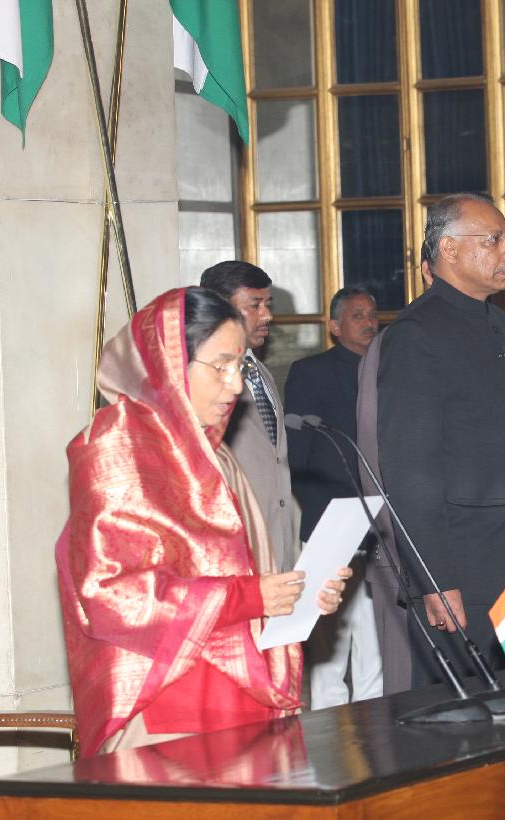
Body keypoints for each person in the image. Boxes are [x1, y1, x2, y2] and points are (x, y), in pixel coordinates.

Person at [55, 288, 350, 757]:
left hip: (239, 685)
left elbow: (243, 572)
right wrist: (251, 597)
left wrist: (296, 597)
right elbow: (112, 592)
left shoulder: (216, 454)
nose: (234, 387)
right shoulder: (116, 444)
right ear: (170, 361)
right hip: (166, 698)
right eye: (221, 366)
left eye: (241, 367)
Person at [378, 195, 505, 686]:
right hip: (464, 571)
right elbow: (409, 469)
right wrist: (435, 579)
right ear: (448, 249)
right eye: (494, 240)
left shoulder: (500, 324)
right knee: (462, 712)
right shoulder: (417, 333)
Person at [284, 286, 382, 707]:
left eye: (372, 315)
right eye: (357, 316)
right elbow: (297, 457)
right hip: (331, 520)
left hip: (380, 525)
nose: (369, 323)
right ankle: (328, 718)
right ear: (335, 326)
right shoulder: (311, 372)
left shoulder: (387, 371)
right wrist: (322, 513)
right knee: (329, 635)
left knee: (375, 636)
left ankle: (375, 720)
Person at [355, 249, 434, 695]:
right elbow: (374, 449)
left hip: (479, 547)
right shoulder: (396, 343)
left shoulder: (497, 331)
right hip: (407, 547)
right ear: (429, 270)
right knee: (409, 689)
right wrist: (391, 545)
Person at [200, 261, 299, 574]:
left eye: (268, 304)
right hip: (234, 555)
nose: (267, 315)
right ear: (220, 308)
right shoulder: (203, 379)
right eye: (255, 305)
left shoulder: (260, 371)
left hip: (278, 549)